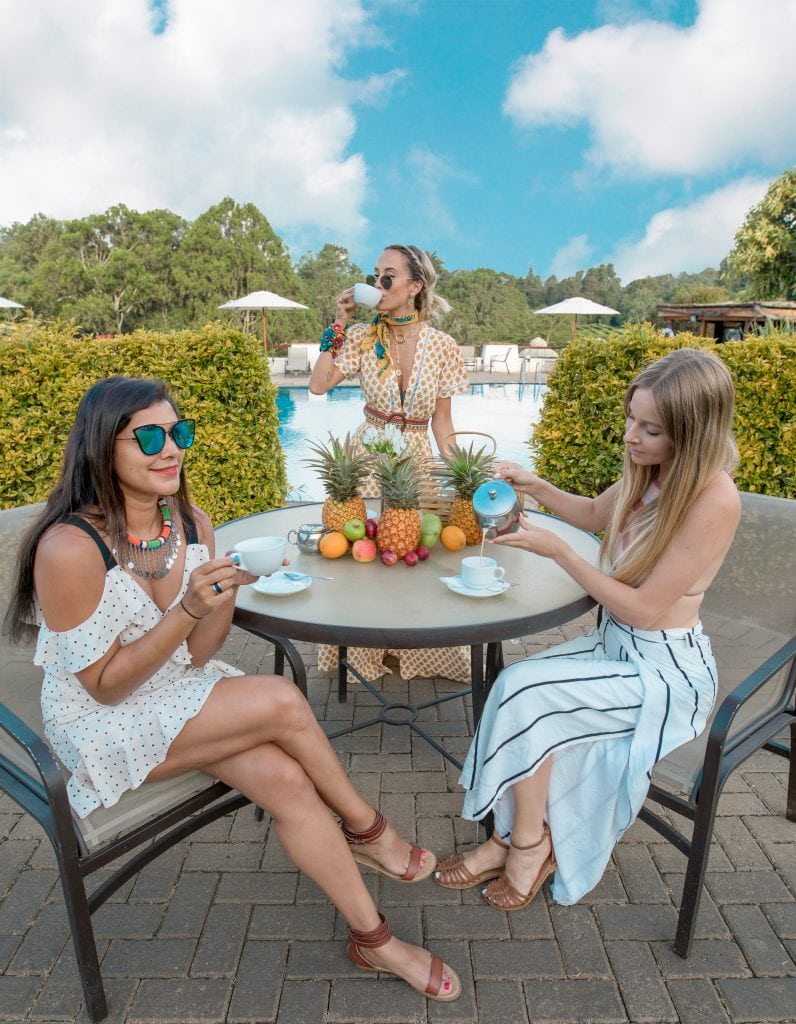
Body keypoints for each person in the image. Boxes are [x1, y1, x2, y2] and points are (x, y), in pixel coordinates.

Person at [5, 376, 460, 1002]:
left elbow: (198, 655)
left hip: (176, 697)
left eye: (179, 432)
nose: (172, 448)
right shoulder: (69, 549)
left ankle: (374, 939)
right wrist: (187, 610)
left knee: (289, 782)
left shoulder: (191, 523)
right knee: (281, 701)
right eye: (150, 436)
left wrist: (226, 591)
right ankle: (369, 830)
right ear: (101, 448)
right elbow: (105, 687)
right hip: (97, 722)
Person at [435, 347, 740, 912]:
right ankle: (511, 840)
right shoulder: (652, 470)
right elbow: (596, 516)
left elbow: (647, 609)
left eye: (650, 428)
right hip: (615, 649)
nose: (631, 435)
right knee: (514, 684)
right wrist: (536, 486)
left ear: (692, 432)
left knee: (531, 699)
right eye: (631, 418)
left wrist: (558, 554)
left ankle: (525, 847)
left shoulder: (713, 499)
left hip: (664, 675)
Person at [309, 243, 471, 684]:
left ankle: (414, 650)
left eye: (387, 277)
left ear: (415, 286)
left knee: (415, 561)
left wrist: (464, 479)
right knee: (359, 561)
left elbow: (443, 426)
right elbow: (319, 384)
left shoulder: (443, 346)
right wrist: (338, 323)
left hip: (418, 460)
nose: (376, 285)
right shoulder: (361, 335)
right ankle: (360, 653)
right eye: (374, 275)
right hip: (366, 457)